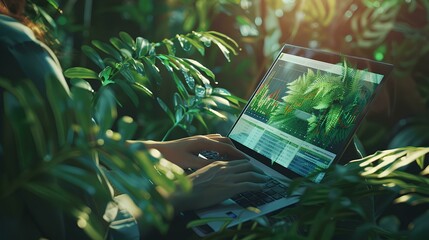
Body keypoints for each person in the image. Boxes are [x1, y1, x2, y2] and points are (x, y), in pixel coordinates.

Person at [0, 0, 268, 239]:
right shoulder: (12, 47)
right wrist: (174, 195)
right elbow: (92, 226)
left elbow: (28, 153)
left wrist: (143, 151)